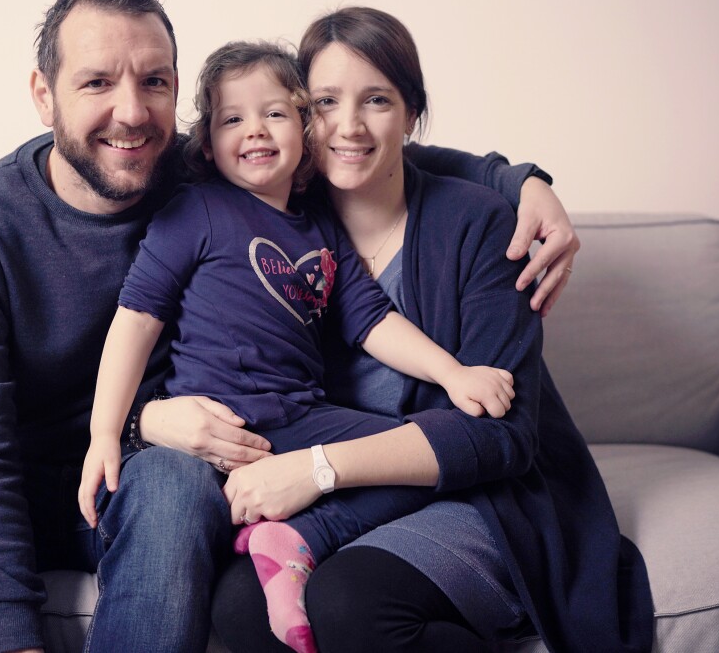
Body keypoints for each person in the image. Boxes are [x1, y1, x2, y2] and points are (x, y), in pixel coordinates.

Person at [0, 0, 579, 653]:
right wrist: (15, 636)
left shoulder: (204, 169)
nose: (131, 112)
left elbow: (356, 144)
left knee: (173, 484)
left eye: (154, 82)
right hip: (25, 474)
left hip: (147, 479)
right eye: (97, 82)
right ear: (43, 94)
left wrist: (519, 180)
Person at [210, 7, 654, 653]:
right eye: (327, 101)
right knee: (240, 606)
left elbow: (503, 436)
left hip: (478, 495)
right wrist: (149, 418)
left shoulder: (479, 224)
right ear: (301, 114)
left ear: (412, 114)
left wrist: (318, 468)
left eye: (377, 100)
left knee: (350, 601)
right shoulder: (272, 221)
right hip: (347, 502)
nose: (349, 125)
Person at [78, 41, 515, 652]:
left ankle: (295, 538)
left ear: (306, 131)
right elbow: (136, 319)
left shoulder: (320, 225)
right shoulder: (196, 210)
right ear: (208, 144)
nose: (255, 130)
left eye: (275, 114)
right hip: (224, 425)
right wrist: (106, 433)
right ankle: (299, 536)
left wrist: (453, 374)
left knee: (422, 454)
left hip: (301, 416)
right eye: (233, 118)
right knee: (414, 461)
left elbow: (371, 320)